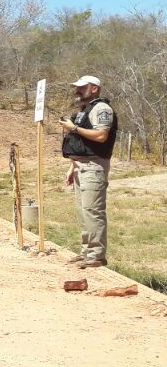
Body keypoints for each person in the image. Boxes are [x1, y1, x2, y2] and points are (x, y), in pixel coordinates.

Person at [60, 75, 117, 269]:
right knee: (83, 211)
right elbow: (81, 143)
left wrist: (73, 128)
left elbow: (101, 135)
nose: (77, 90)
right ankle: (86, 252)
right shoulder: (86, 110)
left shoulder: (102, 109)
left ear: (94, 88)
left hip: (94, 167)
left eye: (82, 87)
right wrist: (71, 166)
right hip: (81, 167)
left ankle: (96, 255)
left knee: (93, 211)